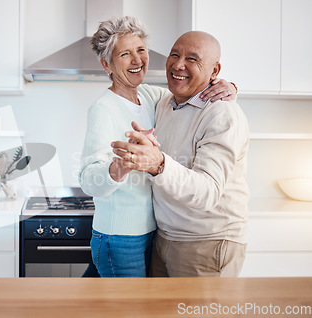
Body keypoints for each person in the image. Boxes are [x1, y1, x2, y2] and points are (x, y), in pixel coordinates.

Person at [79, 17, 237, 278]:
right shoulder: (103, 109)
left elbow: (192, 91)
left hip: (151, 231)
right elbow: (88, 179)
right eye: (125, 54)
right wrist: (118, 167)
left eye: (141, 50)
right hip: (119, 236)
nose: (137, 60)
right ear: (106, 64)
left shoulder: (152, 97)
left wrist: (229, 86)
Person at [111, 31, 250, 277]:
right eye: (174, 55)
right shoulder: (166, 102)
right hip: (164, 238)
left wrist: (159, 164)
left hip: (207, 242)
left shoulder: (223, 114)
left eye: (192, 59)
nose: (178, 64)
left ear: (214, 71)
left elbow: (208, 191)